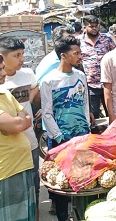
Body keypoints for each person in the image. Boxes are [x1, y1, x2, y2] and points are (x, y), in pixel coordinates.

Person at [41, 36, 93, 221]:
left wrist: (87, 129)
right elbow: (47, 114)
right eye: (76, 53)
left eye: (80, 52)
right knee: (62, 182)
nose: (80, 56)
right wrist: (60, 137)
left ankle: (83, 213)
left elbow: (85, 104)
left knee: (83, 177)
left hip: (82, 136)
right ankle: (63, 216)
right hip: (61, 139)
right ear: (63, 55)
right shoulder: (49, 81)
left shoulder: (80, 76)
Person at [0, 38, 41, 217]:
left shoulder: (25, 76)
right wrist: (21, 118)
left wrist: (24, 113)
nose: (21, 59)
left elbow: (25, 119)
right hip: (8, 164)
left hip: (29, 145)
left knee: (32, 193)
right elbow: (18, 123)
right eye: (17, 55)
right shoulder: (4, 86)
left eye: (22, 54)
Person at [77, 15, 116, 119]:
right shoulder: (78, 41)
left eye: (96, 26)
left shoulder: (106, 39)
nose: (94, 29)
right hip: (90, 85)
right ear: (84, 27)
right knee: (93, 115)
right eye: (91, 26)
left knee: (112, 112)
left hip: (107, 83)